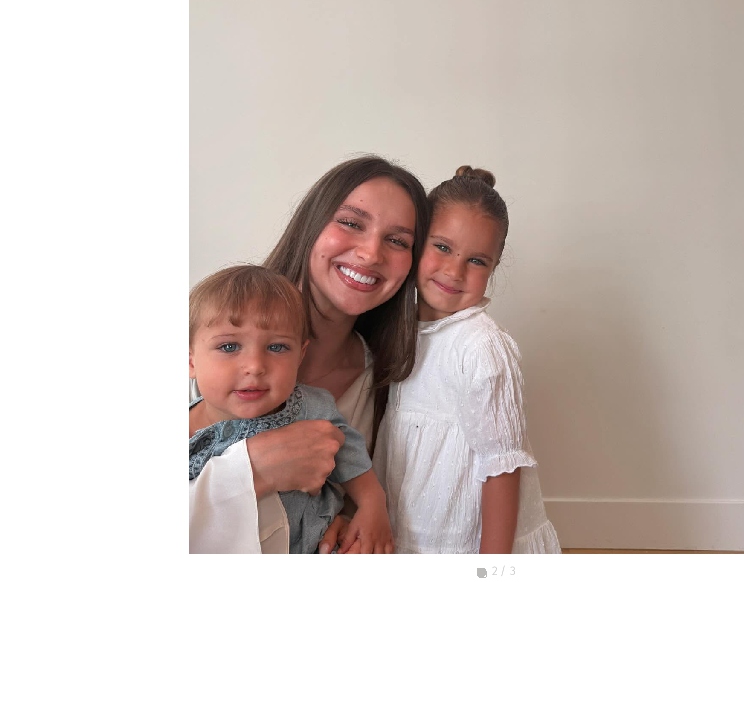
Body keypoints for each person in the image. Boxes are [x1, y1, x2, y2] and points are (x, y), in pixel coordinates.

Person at [189, 156, 430, 554]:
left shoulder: (391, 377)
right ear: (311, 224)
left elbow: (353, 483)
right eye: (351, 222)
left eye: (397, 241)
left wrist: (333, 520)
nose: (371, 253)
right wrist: (253, 472)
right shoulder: (207, 336)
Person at [374, 166, 561, 554]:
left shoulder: (482, 347)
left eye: (476, 261)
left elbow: (502, 466)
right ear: (417, 241)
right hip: (414, 529)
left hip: (467, 544)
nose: (454, 271)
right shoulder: (405, 329)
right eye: (443, 247)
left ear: (494, 267)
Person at [189, 265, 393, 553]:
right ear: (190, 360)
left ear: (300, 355)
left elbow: (349, 453)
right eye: (229, 347)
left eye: (277, 348)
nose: (255, 366)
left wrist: (373, 505)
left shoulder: (310, 407)